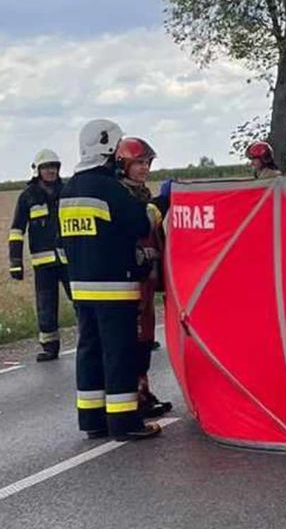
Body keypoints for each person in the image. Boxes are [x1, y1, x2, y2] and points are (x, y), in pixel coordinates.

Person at [61, 119, 161, 442]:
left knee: (88, 351)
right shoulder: (108, 188)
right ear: (107, 148)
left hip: (81, 287)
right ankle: (124, 422)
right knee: (119, 353)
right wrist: (154, 209)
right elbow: (137, 224)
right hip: (114, 286)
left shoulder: (69, 188)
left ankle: (92, 420)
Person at [114, 137, 172, 420]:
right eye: (138, 163)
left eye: (147, 163)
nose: (144, 168)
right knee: (135, 340)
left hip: (148, 279)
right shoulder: (121, 196)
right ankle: (134, 393)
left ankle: (143, 390)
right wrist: (161, 203)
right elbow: (142, 221)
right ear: (123, 164)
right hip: (131, 280)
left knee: (146, 338)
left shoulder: (140, 193)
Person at [8, 148, 70, 362]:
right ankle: (49, 346)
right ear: (38, 170)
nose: (51, 171)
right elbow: (17, 230)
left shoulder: (67, 191)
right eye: (46, 167)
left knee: (81, 301)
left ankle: (92, 339)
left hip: (69, 259)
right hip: (43, 262)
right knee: (45, 304)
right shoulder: (28, 196)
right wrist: (15, 262)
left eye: (54, 167)